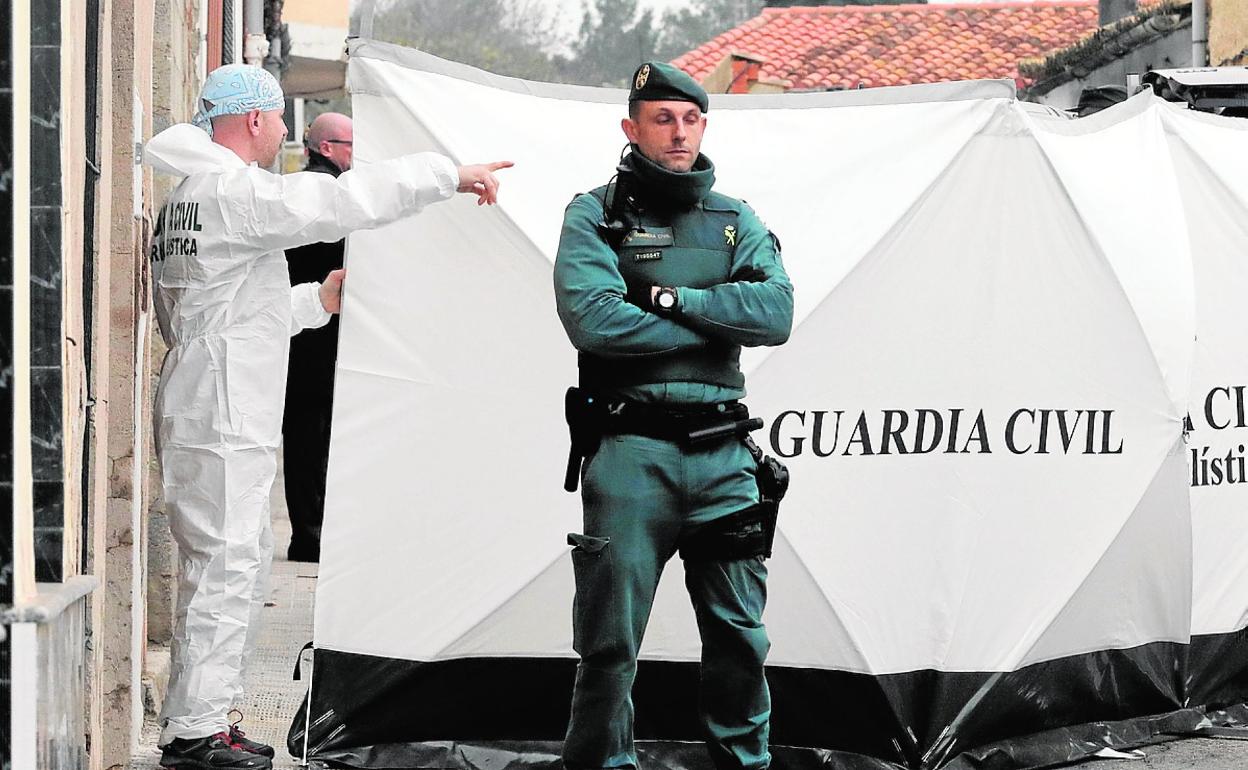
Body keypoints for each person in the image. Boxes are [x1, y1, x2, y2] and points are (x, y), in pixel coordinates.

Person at [144, 64, 512, 770]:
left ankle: (205, 718)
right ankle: (194, 733)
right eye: (280, 118)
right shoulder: (231, 190)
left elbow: (228, 317)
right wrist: (445, 174)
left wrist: (319, 299)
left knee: (230, 567)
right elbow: (338, 201)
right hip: (222, 405)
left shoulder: (187, 201)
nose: (286, 131)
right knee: (224, 570)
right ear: (253, 119)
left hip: (208, 391)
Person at [553, 62, 794, 770]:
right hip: (633, 455)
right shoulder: (594, 214)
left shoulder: (734, 219)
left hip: (726, 459)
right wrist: (719, 321)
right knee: (609, 647)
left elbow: (775, 313)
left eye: (690, 119)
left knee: (740, 641)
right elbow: (597, 322)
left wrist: (668, 300)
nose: (679, 132)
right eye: (662, 119)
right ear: (632, 128)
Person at [281, 112, 355, 562]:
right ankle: (311, 536)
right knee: (315, 437)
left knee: (303, 437)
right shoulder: (331, 195)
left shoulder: (296, 190)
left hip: (300, 329)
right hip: (319, 328)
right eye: (350, 145)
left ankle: (308, 533)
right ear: (326, 147)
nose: (356, 154)